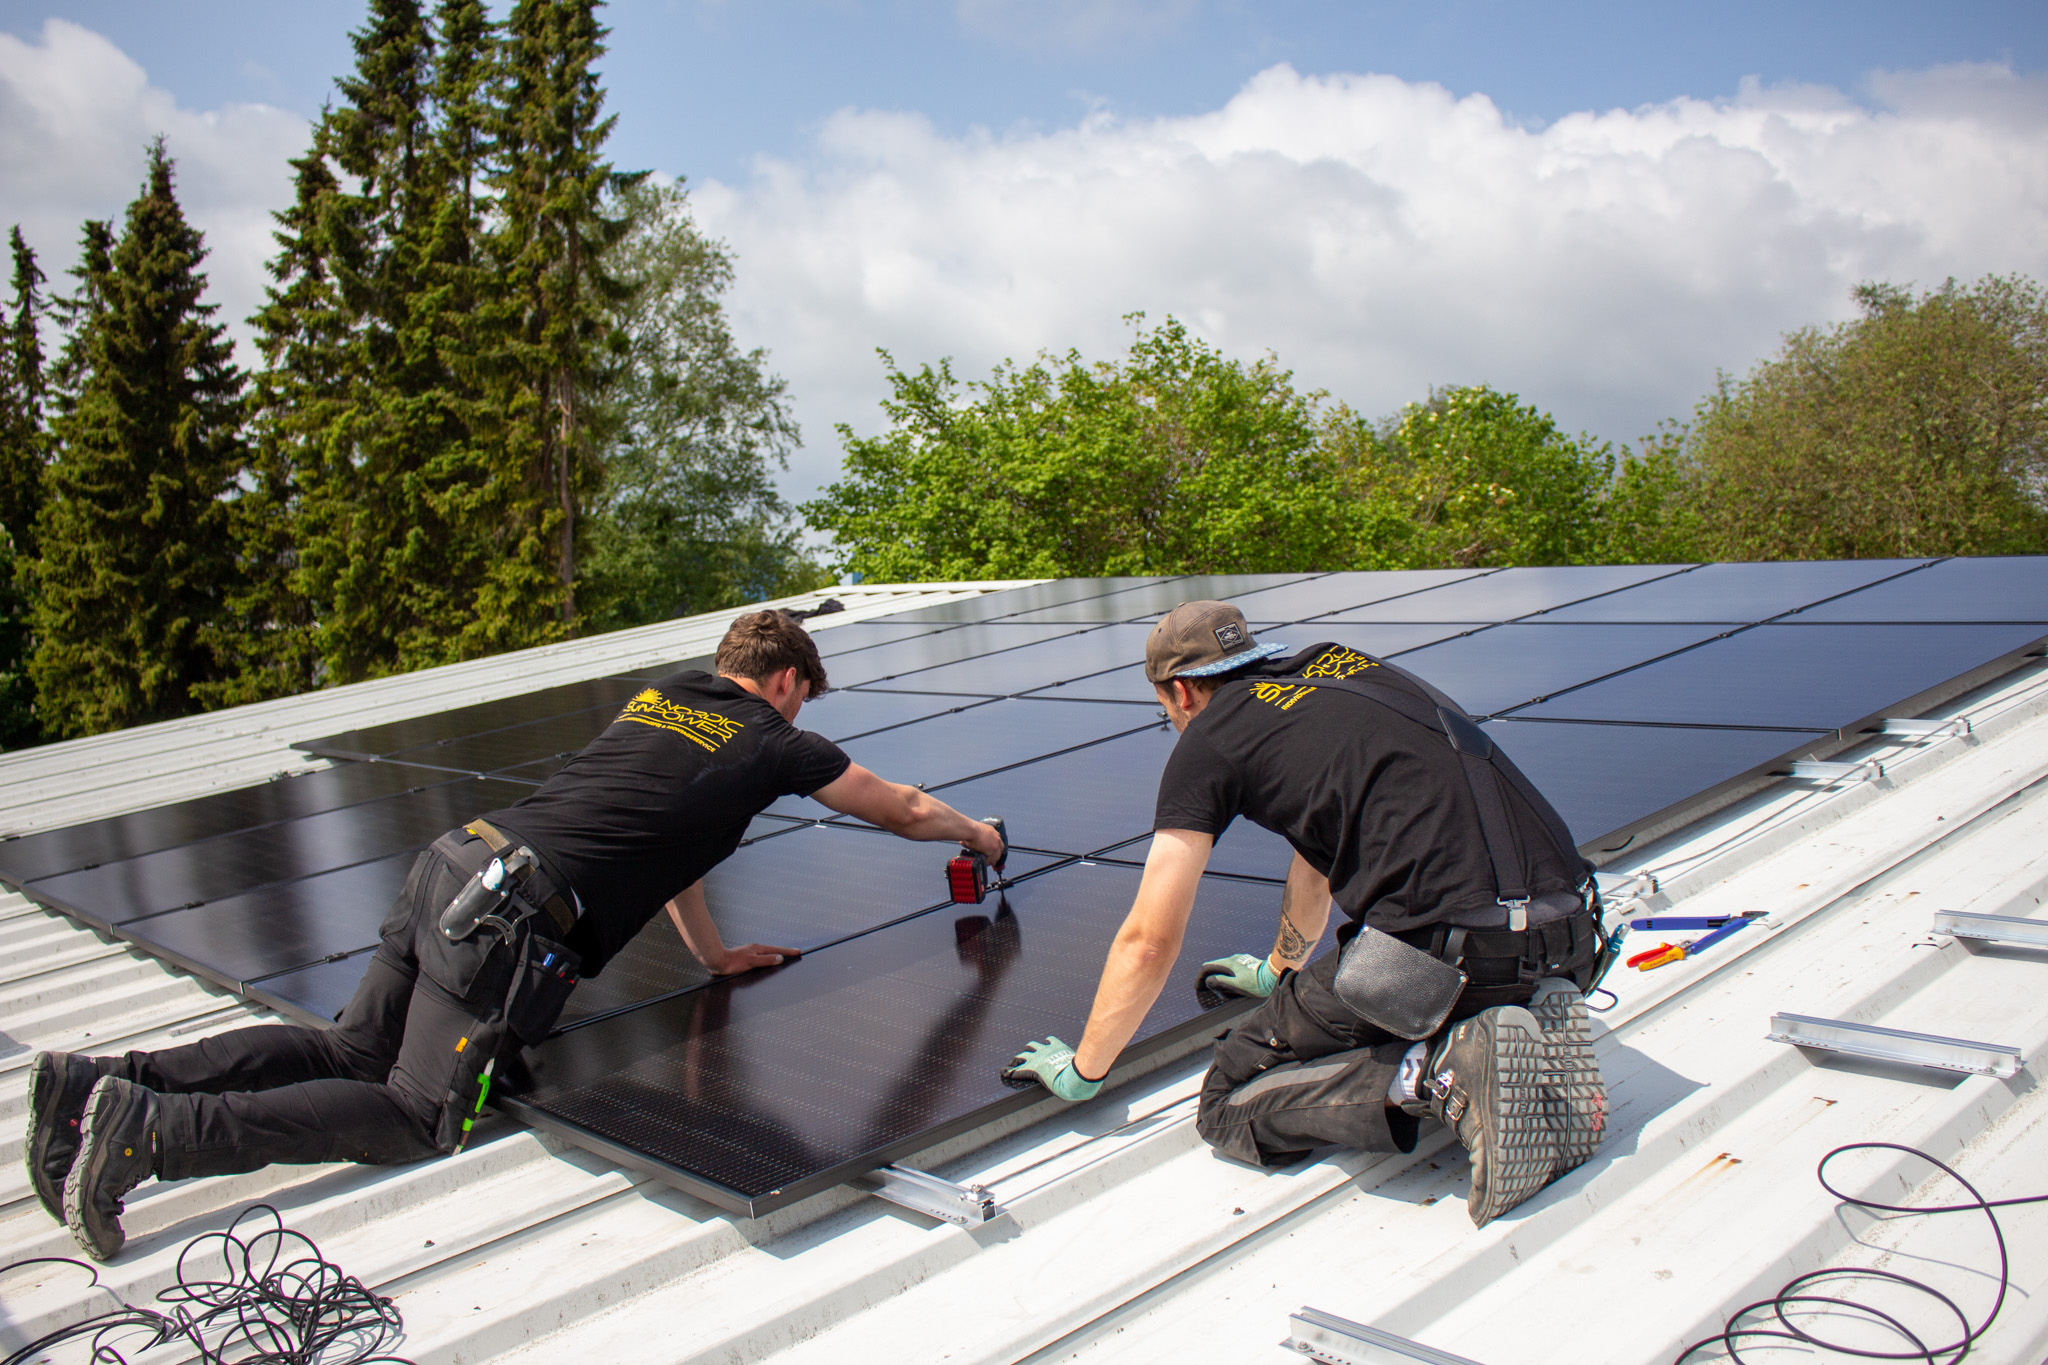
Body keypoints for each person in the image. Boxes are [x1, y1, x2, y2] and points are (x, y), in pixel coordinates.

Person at [28, 610, 1006, 1261]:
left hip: (452, 863)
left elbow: (669, 841)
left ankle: (98, 1082)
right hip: (505, 925)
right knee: (419, 1111)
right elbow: (901, 807)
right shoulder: (773, 741)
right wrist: (974, 833)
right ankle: (159, 1135)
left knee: (348, 1046)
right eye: (803, 692)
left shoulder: (662, 696)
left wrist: (710, 956)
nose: (801, 709)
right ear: (788, 681)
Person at [1003, 601, 1606, 1227]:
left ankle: (1436, 1073)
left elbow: (1149, 941)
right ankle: (1531, 1004)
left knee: (1227, 1100)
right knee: (1430, 952)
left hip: (1446, 959)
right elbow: (1320, 853)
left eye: (1164, 710)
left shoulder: (1213, 736)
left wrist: (1084, 1069)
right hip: (1574, 931)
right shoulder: (1342, 668)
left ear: (1179, 692)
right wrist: (1278, 969)